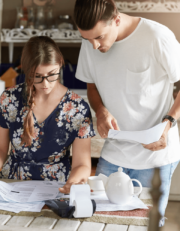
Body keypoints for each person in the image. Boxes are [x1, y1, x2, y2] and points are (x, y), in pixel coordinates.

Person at [74, 0, 180, 226]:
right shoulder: (91, 41)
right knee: (97, 223)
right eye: (87, 39)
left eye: (99, 37)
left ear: (117, 20)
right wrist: (100, 111)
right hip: (113, 155)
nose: (93, 46)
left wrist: (168, 123)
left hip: (155, 157)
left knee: (144, 225)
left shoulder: (157, 36)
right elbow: (91, 86)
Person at [0, 36, 95, 194]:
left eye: (52, 74)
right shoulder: (9, 99)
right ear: (26, 70)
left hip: (57, 188)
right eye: (37, 76)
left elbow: (82, 164)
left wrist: (74, 182)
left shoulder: (77, 107)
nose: (45, 83)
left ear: (60, 64)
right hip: (12, 185)